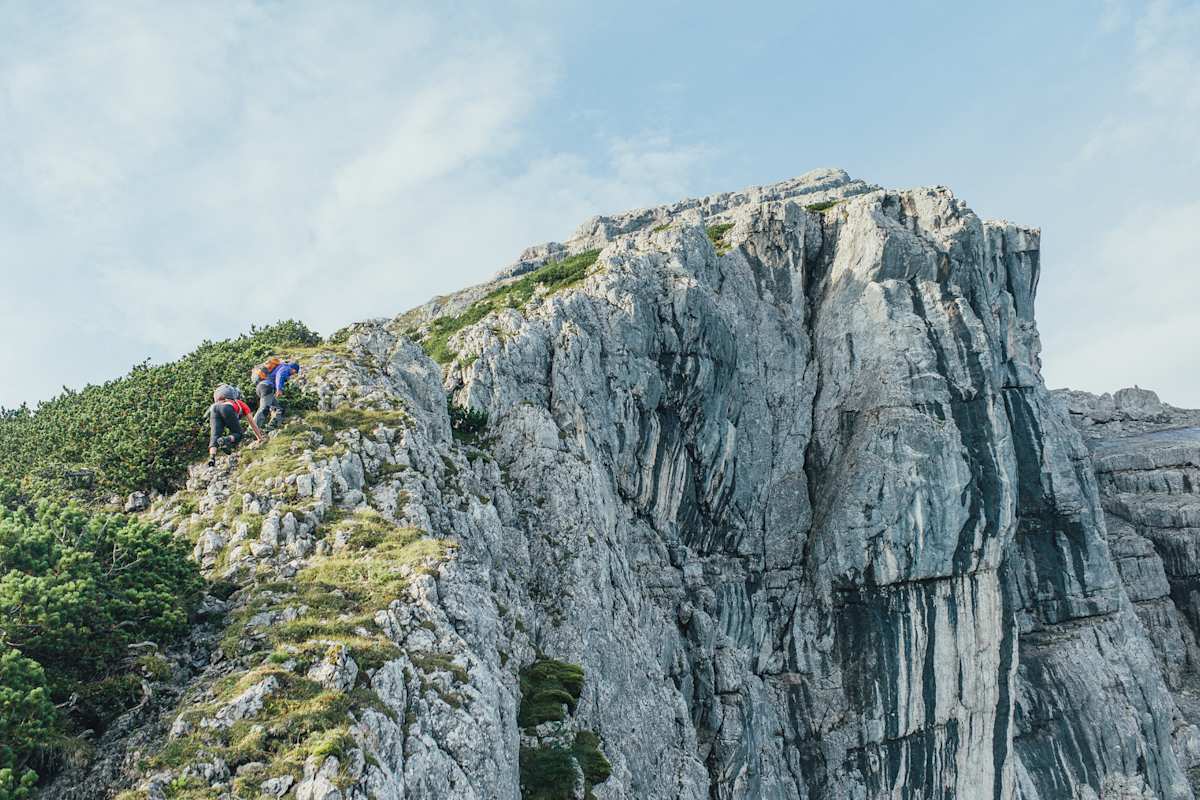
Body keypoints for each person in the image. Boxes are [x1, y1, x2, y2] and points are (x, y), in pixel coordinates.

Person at [207, 385, 263, 466]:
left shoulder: (217, 403)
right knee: (239, 434)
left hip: (213, 409)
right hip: (227, 408)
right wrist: (259, 438)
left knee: (214, 436)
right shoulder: (240, 403)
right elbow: (252, 422)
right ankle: (225, 440)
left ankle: (212, 458)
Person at [253, 359, 301, 429]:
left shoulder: (280, 367)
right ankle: (252, 429)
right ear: (293, 368)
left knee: (279, 408)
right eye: (295, 372)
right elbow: (280, 375)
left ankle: (270, 428)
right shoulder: (286, 368)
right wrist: (279, 389)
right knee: (264, 409)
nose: (294, 374)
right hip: (266, 387)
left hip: (263, 387)